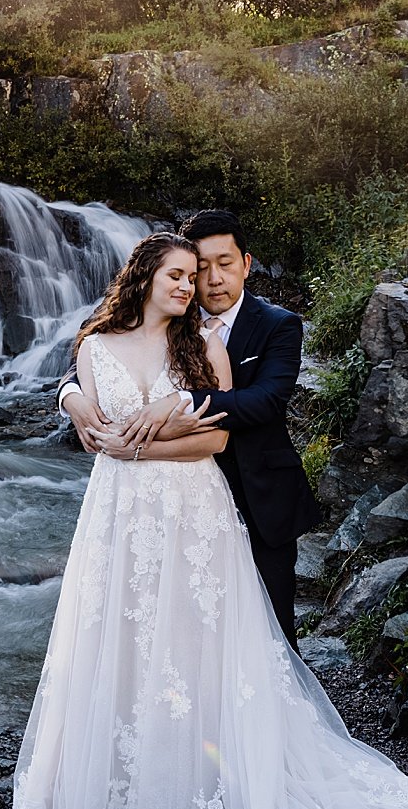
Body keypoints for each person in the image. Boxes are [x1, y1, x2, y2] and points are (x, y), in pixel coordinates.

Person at [13, 232, 408, 809]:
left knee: (196, 638)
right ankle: (121, 777)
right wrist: (77, 404)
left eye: (194, 275)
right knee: (122, 630)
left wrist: (149, 436)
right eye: (175, 275)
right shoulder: (91, 346)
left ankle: (198, 782)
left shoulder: (202, 346)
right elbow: (87, 414)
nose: (187, 285)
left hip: (192, 503)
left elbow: (220, 435)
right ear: (142, 276)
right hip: (117, 513)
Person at [58, 211, 321, 649]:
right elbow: (92, 358)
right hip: (162, 502)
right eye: (201, 268)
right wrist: (70, 396)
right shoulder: (167, 314)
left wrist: (177, 403)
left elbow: (267, 401)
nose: (212, 279)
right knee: (167, 627)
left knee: (269, 637)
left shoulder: (278, 325)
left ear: (247, 264)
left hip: (257, 495)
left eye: (226, 263)